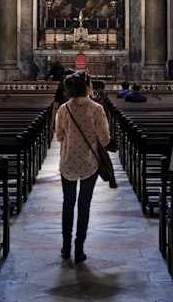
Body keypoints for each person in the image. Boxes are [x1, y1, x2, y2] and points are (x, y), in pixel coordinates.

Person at [55, 72, 111, 264]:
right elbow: (104, 139)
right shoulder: (96, 109)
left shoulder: (63, 109)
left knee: (67, 204)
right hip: (89, 163)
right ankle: (79, 249)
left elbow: (59, 137)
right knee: (84, 206)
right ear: (87, 87)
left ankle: (65, 247)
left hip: (68, 162)